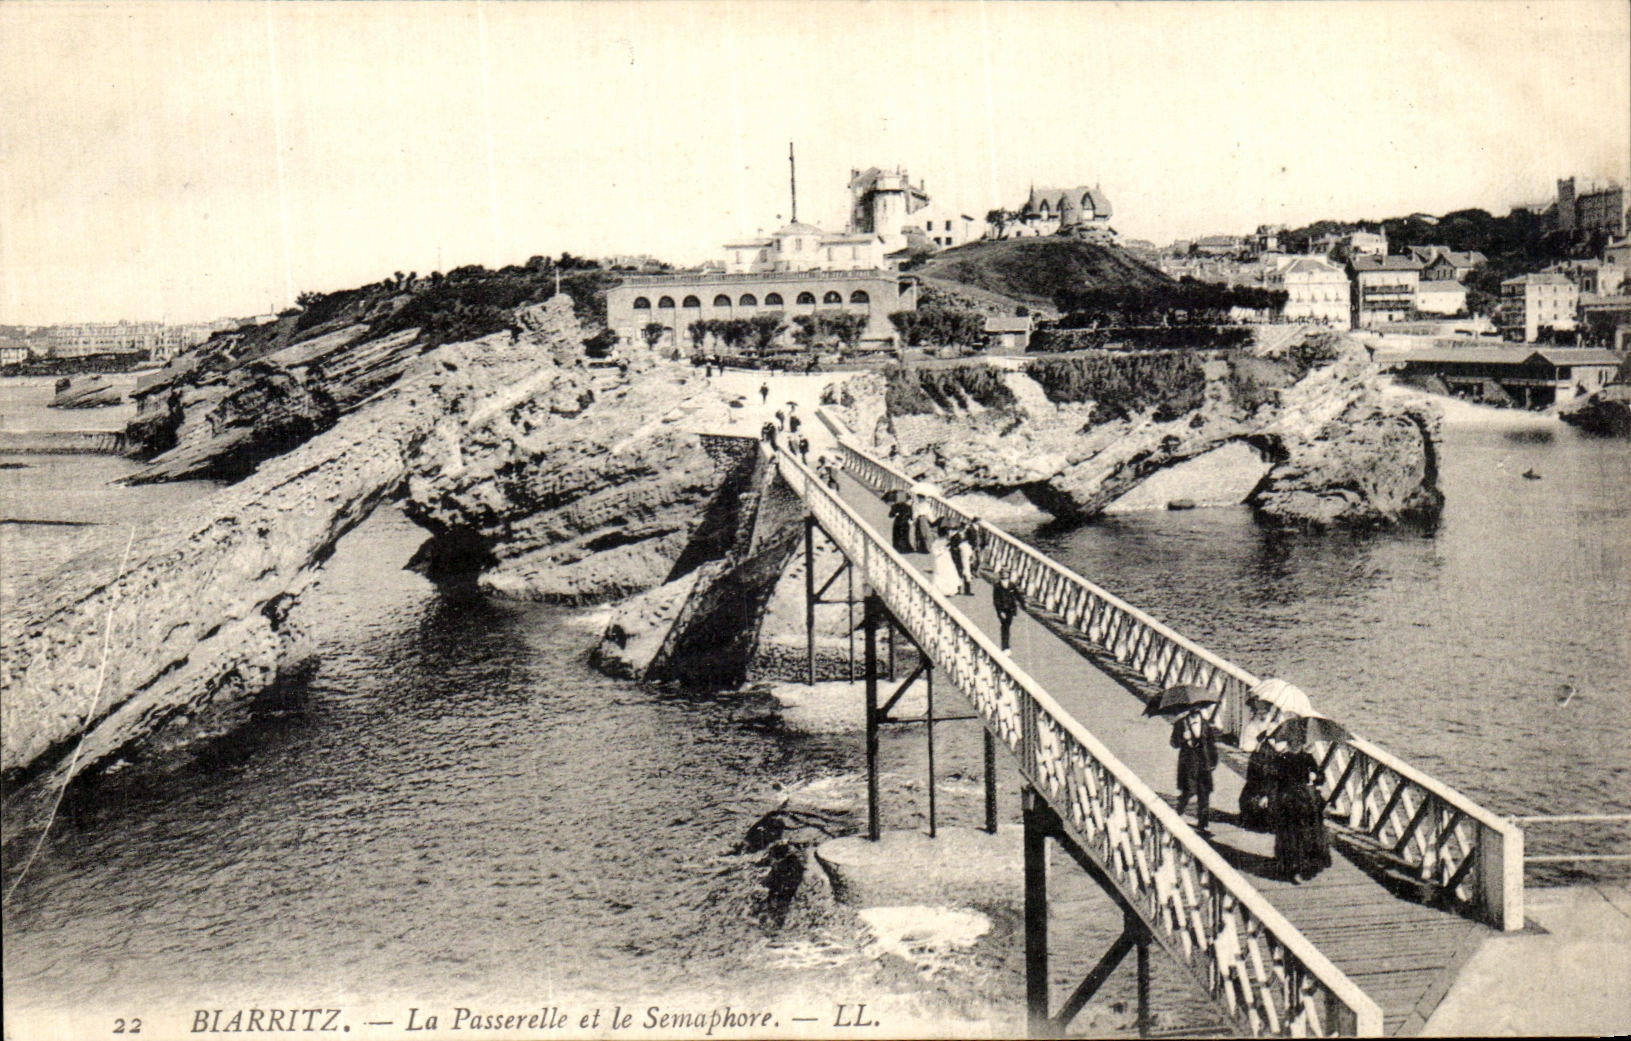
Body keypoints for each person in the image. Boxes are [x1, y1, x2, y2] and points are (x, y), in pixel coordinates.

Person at [1271, 733, 1331, 882]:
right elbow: (1275, 779)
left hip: (1302, 800)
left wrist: (1315, 777)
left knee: (1301, 833)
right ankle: (1293, 867)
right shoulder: (1286, 758)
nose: (1296, 745)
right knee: (1293, 834)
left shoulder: (1303, 758)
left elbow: (1321, 777)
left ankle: (1298, 865)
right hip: (1291, 800)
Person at [1171, 707, 1219, 833]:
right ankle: (1179, 812)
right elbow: (1173, 743)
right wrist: (1183, 738)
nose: (1195, 713)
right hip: (1188, 764)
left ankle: (1203, 823)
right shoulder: (1181, 724)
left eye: (1197, 711)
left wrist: (1214, 761)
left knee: (1204, 794)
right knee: (1188, 791)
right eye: (1192, 711)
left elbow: (1212, 744)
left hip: (1204, 763)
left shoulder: (1206, 724)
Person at [929, 520, 961, 597]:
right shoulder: (941, 541)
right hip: (942, 558)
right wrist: (943, 550)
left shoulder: (943, 540)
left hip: (945, 558)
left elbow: (934, 551)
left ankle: (946, 589)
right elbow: (935, 551)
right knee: (944, 573)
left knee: (946, 573)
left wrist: (945, 549)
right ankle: (945, 589)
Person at [992, 571, 1019, 651]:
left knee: (1007, 626)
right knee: (1005, 627)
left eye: (1006, 573)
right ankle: (1005, 647)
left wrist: (1024, 604)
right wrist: (1000, 612)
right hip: (1003, 610)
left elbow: (1017, 595)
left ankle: (1006, 646)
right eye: (1003, 574)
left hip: (1010, 609)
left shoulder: (1011, 585)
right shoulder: (997, 586)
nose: (1005, 575)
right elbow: (996, 600)